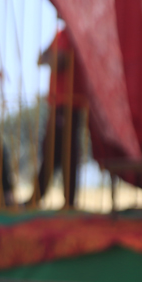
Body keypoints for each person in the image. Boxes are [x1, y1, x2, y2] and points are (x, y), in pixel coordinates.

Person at [37, 26, 88, 208]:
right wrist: (52, 58)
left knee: (66, 151)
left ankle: (68, 200)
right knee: (51, 149)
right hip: (57, 103)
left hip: (70, 103)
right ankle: (40, 195)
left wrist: (51, 58)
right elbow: (41, 59)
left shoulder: (73, 32)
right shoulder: (59, 34)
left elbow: (60, 61)